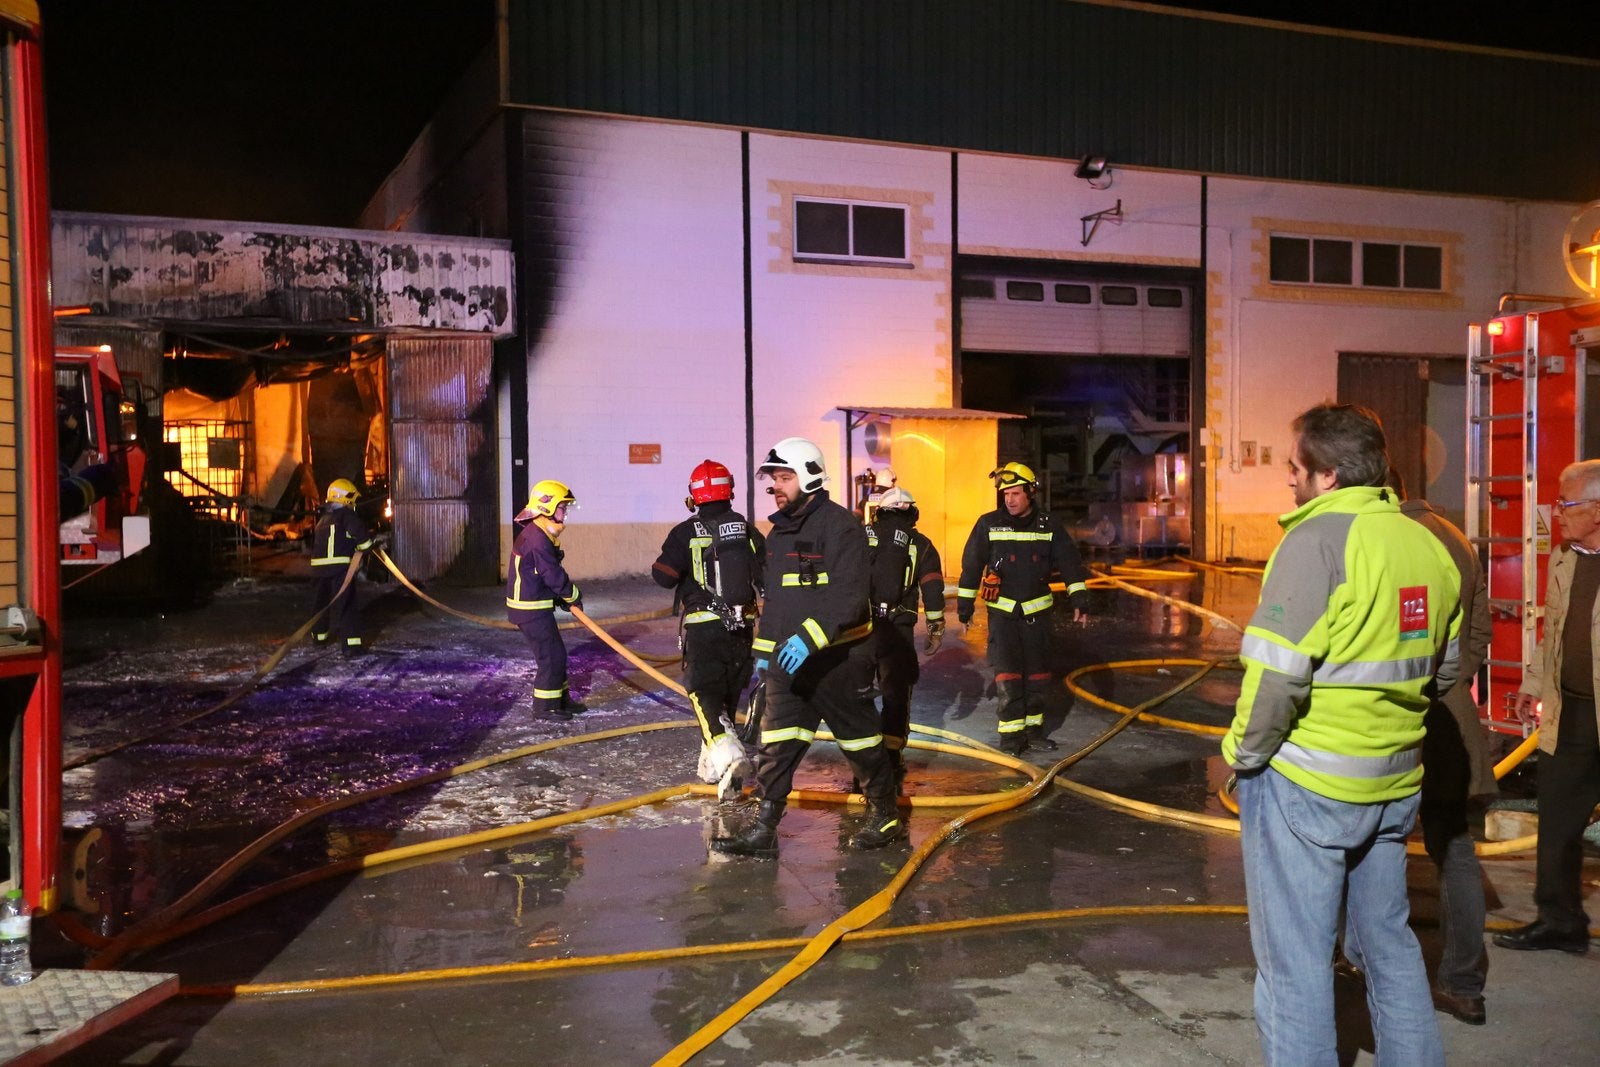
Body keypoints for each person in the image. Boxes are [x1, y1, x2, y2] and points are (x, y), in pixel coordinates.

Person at [1222, 403, 1461, 1067]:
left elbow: (1276, 679)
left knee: (1295, 963)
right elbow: (1445, 668)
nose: (1289, 480)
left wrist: (1241, 757)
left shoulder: (1317, 540)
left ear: (1326, 475)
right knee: (1389, 944)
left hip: (1309, 784)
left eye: (1294, 467)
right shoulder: (1427, 541)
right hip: (1392, 783)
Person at [711, 437, 900, 858]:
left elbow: (850, 598)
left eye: (785, 477)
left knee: (861, 742)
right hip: (789, 662)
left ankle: (884, 815)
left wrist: (809, 637)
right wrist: (763, 651)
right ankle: (765, 829)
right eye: (774, 478)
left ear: (811, 476)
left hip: (839, 660)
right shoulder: (778, 534)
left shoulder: (841, 527)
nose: (776, 486)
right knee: (776, 743)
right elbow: (776, 600)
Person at [1374, 468, 1496, 1025]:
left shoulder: (1385, 540)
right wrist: (1451, 686)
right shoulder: (1455, 537)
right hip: (1453, 718)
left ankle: (1377, 981)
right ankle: (1464, 985)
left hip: (1391, 722)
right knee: (1456, 850)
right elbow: (1478, 635)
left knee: (1370, 850)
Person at [1496, 458, 1600, 956]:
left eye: (1568, 503)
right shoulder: (1565, 557)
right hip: (1573, 713)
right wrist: (1534, 683)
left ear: (1598, 510)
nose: (1557, 511)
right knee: (1557, 822)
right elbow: (1553, 632)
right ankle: (1559, 921)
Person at [955, 461, 1089, 755]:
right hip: (1003, 617)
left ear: (1031, 492)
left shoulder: (1049, 526)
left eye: (1016, 493)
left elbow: (1069, 563)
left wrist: (1079, 598)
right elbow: (971, 567)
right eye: (1005, 495)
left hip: (1037, 616)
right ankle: (1011, 738)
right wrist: (965, 609)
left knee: (1038, 676)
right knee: (1008, 677)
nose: (1010, 500)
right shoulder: (988, 524)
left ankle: (1034, 733)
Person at [652, 459, 766, 798]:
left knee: (703, 693)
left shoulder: (685, 532)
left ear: (695, 495)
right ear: (729, 490)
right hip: (743, 628)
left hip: (704, 629)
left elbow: (663, 577)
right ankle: (712, 765)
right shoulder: (745, 529)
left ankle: (729, 756)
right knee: (728, 693)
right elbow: (767, 575)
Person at [864, 486, 945, 789]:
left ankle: (863, 756)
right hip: (897, 628)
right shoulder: (920, 543)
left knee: (859, 691)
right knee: (895, 693)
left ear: (880, 511)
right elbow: (933, 588)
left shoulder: (862, 536)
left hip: (860, 627)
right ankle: (892, 756)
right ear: (912, 512)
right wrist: (936, 627)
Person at [506, 478, 587, 720]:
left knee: (557, 654)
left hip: (536, 606)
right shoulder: (537, 539)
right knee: (550, 657)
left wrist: (558, 598)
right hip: (530, 610)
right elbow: (552, 574)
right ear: (547, 508)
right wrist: (572, 595)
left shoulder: (538, 534)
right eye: (562, 508)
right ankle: (545, 708)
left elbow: (539, 576)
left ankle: (559, 701)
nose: (565, 514)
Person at [310, 477, 378, 654]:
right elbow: (363, 543)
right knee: (346, 605)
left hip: (318, 570)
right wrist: (371, 544)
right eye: (352, 498)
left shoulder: (323, 519)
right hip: (340, 569)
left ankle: (319, 639)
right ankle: (351, 646)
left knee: (321, 605)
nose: (354, 502)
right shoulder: (348, 515)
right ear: (345, 498)